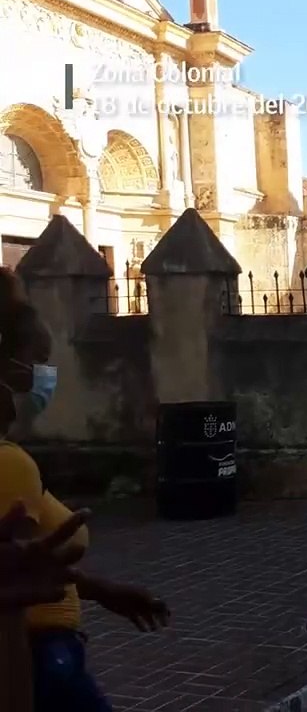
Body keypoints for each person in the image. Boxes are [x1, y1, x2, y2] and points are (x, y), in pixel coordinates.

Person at [0, 271, 170, 711]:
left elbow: (33, 566)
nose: (46, 377)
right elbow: (16, 585)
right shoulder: (10, 464)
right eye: (38, 362)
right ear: (9, 369)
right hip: (39, 658)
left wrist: (102, 590)